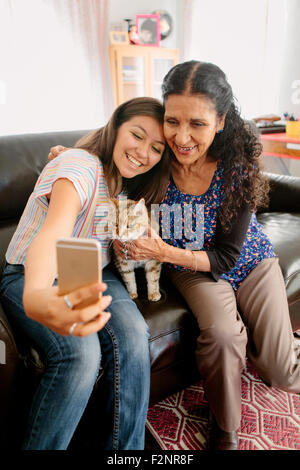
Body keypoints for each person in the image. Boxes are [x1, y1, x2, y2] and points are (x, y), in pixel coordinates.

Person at [114, 61, 300, 450]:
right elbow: (112, 146)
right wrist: (73, 155)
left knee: (281, 372)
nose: (181, 137)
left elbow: (228, 257)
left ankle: (278, 345)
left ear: (220, 121)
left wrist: (160, 250)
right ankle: (225, 427)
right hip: (188, 264)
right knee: (222, 335)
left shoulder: (237, 163)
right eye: (172, 120)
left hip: (248, 259)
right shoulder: (158, 153)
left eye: (196, 124)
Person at [0, 97, 169, 450]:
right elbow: (56, 229)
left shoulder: (127, 184)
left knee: (136, 334)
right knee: (82, 354)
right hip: (29, 271)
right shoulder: (78, 165)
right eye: (136, 135)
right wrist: (37, 292)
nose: (143, 152)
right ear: (116, 126)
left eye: (156, 148)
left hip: (91, 272)